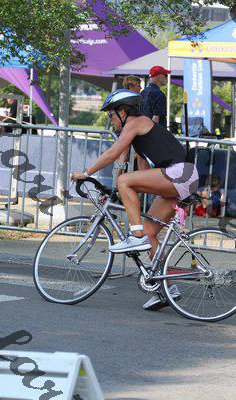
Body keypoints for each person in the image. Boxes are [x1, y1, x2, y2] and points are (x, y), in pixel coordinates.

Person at [70, 89, 199, 310]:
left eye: (111, 115)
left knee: (135, 214)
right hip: (181, 178)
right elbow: (142, 174)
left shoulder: (137, 122)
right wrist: (119, 191)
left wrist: (86, 173)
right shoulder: (140, 136)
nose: (110, 120)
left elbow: (112, 154)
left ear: (123, 112)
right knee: (150, 233)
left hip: (180, 175)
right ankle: (166, 290)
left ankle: (135, 235)